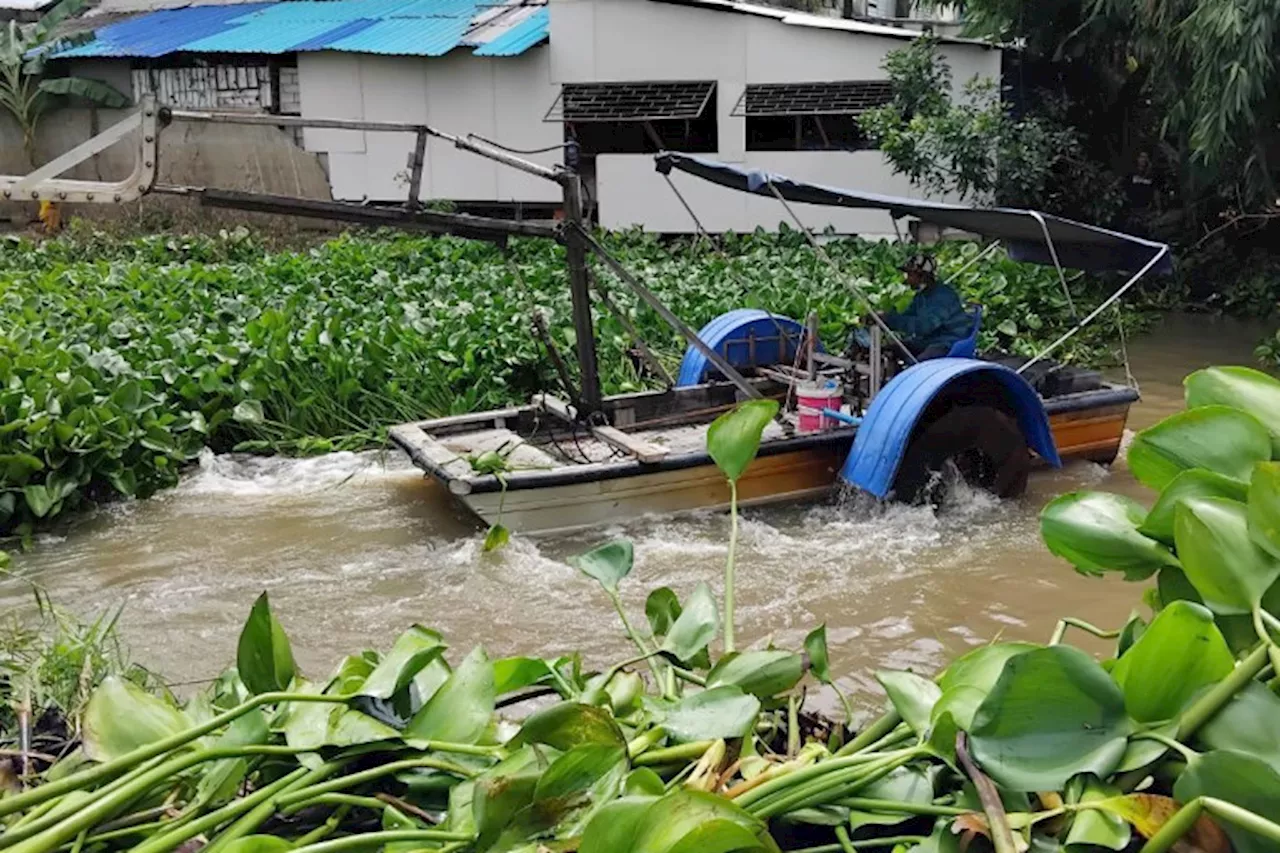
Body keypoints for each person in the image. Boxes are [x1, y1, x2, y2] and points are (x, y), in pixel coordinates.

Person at [852, 254, 973, 361]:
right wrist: (883, 319)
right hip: (929, 341)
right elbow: (908, 316)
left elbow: (924, 326)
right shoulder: (922, 295)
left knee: (919, 367)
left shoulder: (943, 296)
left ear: (923, 276)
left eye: (910, 274)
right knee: (890, 350)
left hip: (948, 343)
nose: (907, 279)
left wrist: (889, 319)